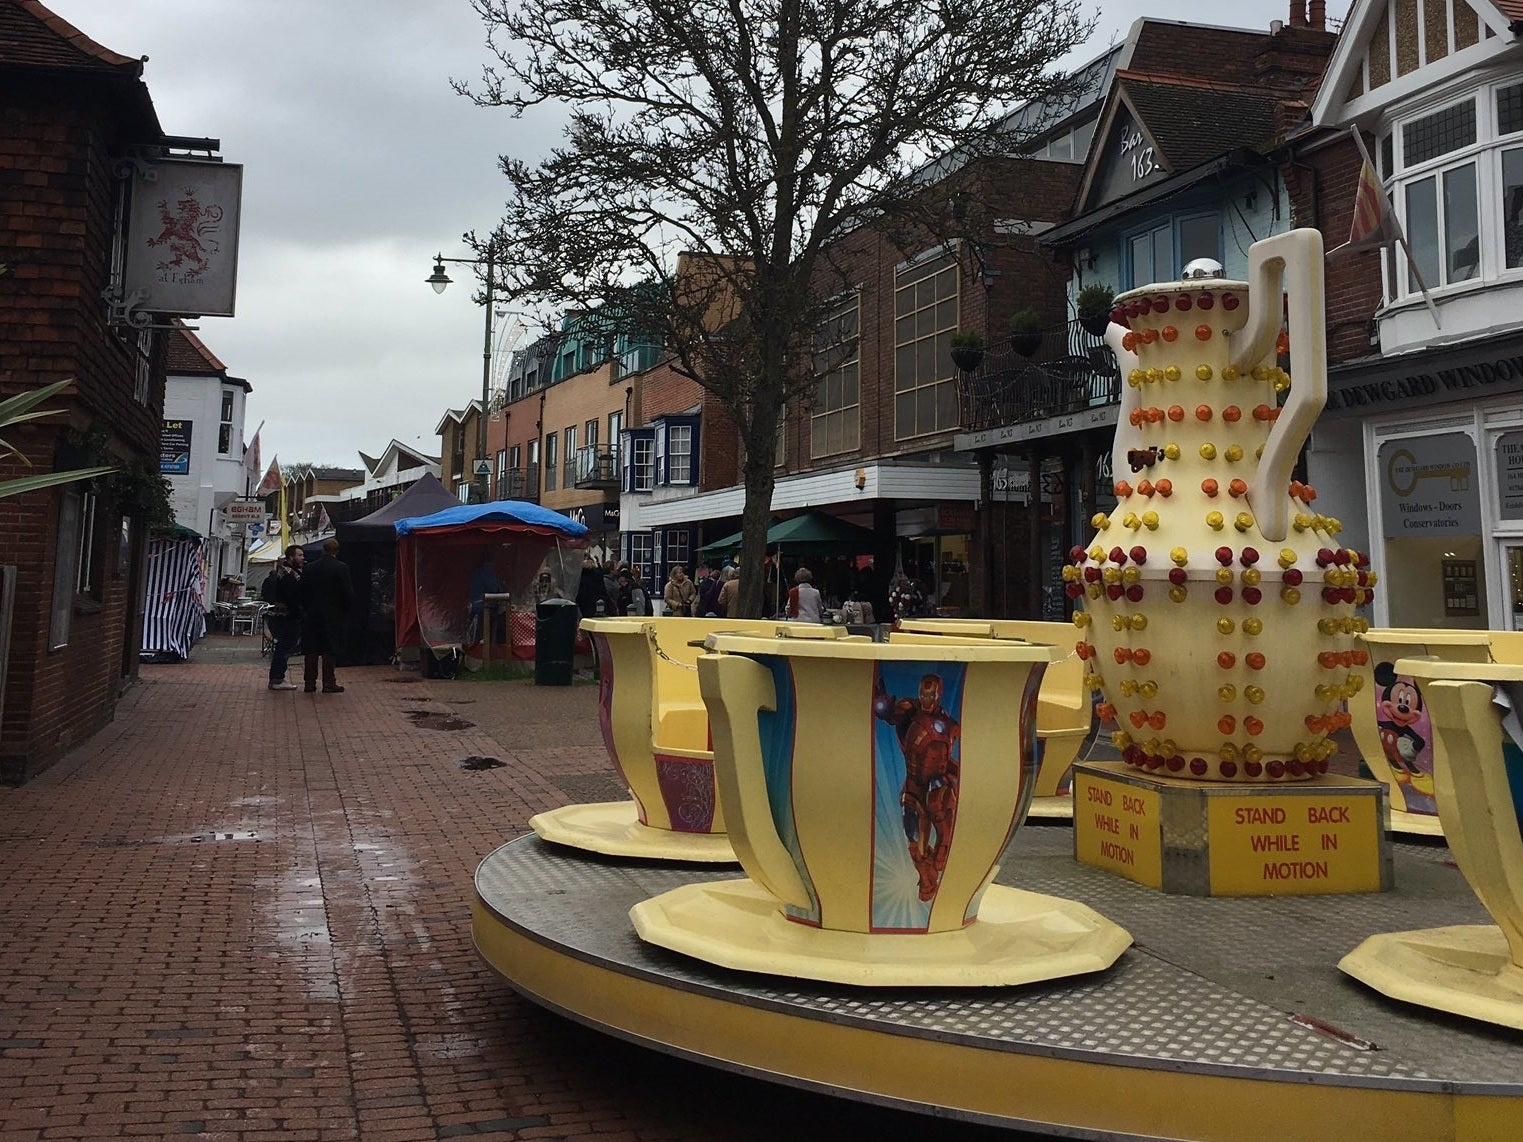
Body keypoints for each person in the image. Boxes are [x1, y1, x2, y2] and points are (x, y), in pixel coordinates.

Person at [874, 672, 961, 902]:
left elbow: (946, 761)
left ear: (938, 695)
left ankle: (938, 860)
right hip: (913, 788)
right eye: (924, 694)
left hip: (937, 787)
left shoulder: (950, 725)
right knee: (916, 846)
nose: (926, 699)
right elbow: (886, 711)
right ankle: (928, 879)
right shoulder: (909, 711)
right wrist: (880, 700)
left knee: (942, 832)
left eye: (931, 695)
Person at [298, 537, 354, 693]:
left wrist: (306, 608)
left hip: (312, 614)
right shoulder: (341, 568)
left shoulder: (309, 568)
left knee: (311, 649)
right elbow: (347, 593)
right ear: (336, 551)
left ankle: (309, 683)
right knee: (330, 649)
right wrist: (345, 610)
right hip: (333, 615)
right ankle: (328, 682)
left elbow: (302, 591)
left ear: (323, 549)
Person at [265, 545, 305, 690]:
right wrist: (299, 611)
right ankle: (277, 678)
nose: (302, 558)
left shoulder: (287, 573)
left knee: (284, 647)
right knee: (284, 647)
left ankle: (277, 677)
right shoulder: (289, 575)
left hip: (286, 616)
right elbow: (293, 596)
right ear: (291, 557)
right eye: (299, 555)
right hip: (289, 617)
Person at [468, 550, 506, 646]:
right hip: (484, 606)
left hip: (472, 606)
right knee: (499, 616)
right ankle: (492, 645)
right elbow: (495, 590)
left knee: (476, 631)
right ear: (491, 562)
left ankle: (478, 644)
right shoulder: (489, 573)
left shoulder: (475, 572)